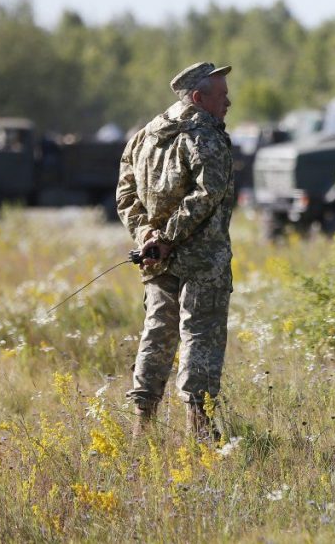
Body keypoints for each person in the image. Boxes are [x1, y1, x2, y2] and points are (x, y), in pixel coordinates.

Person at [116, 61, 235, 441]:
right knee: (200, 336)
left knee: (156, 334)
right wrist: (165, 236)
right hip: (202, 263)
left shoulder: (143, 137)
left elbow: (125, 194)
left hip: (157, 259)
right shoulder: (204, 135)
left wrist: (146, 235)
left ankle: (141, 429)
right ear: (198, 98)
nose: (228, 102)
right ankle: (200, 434)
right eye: (221, 95)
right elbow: (208, 193)